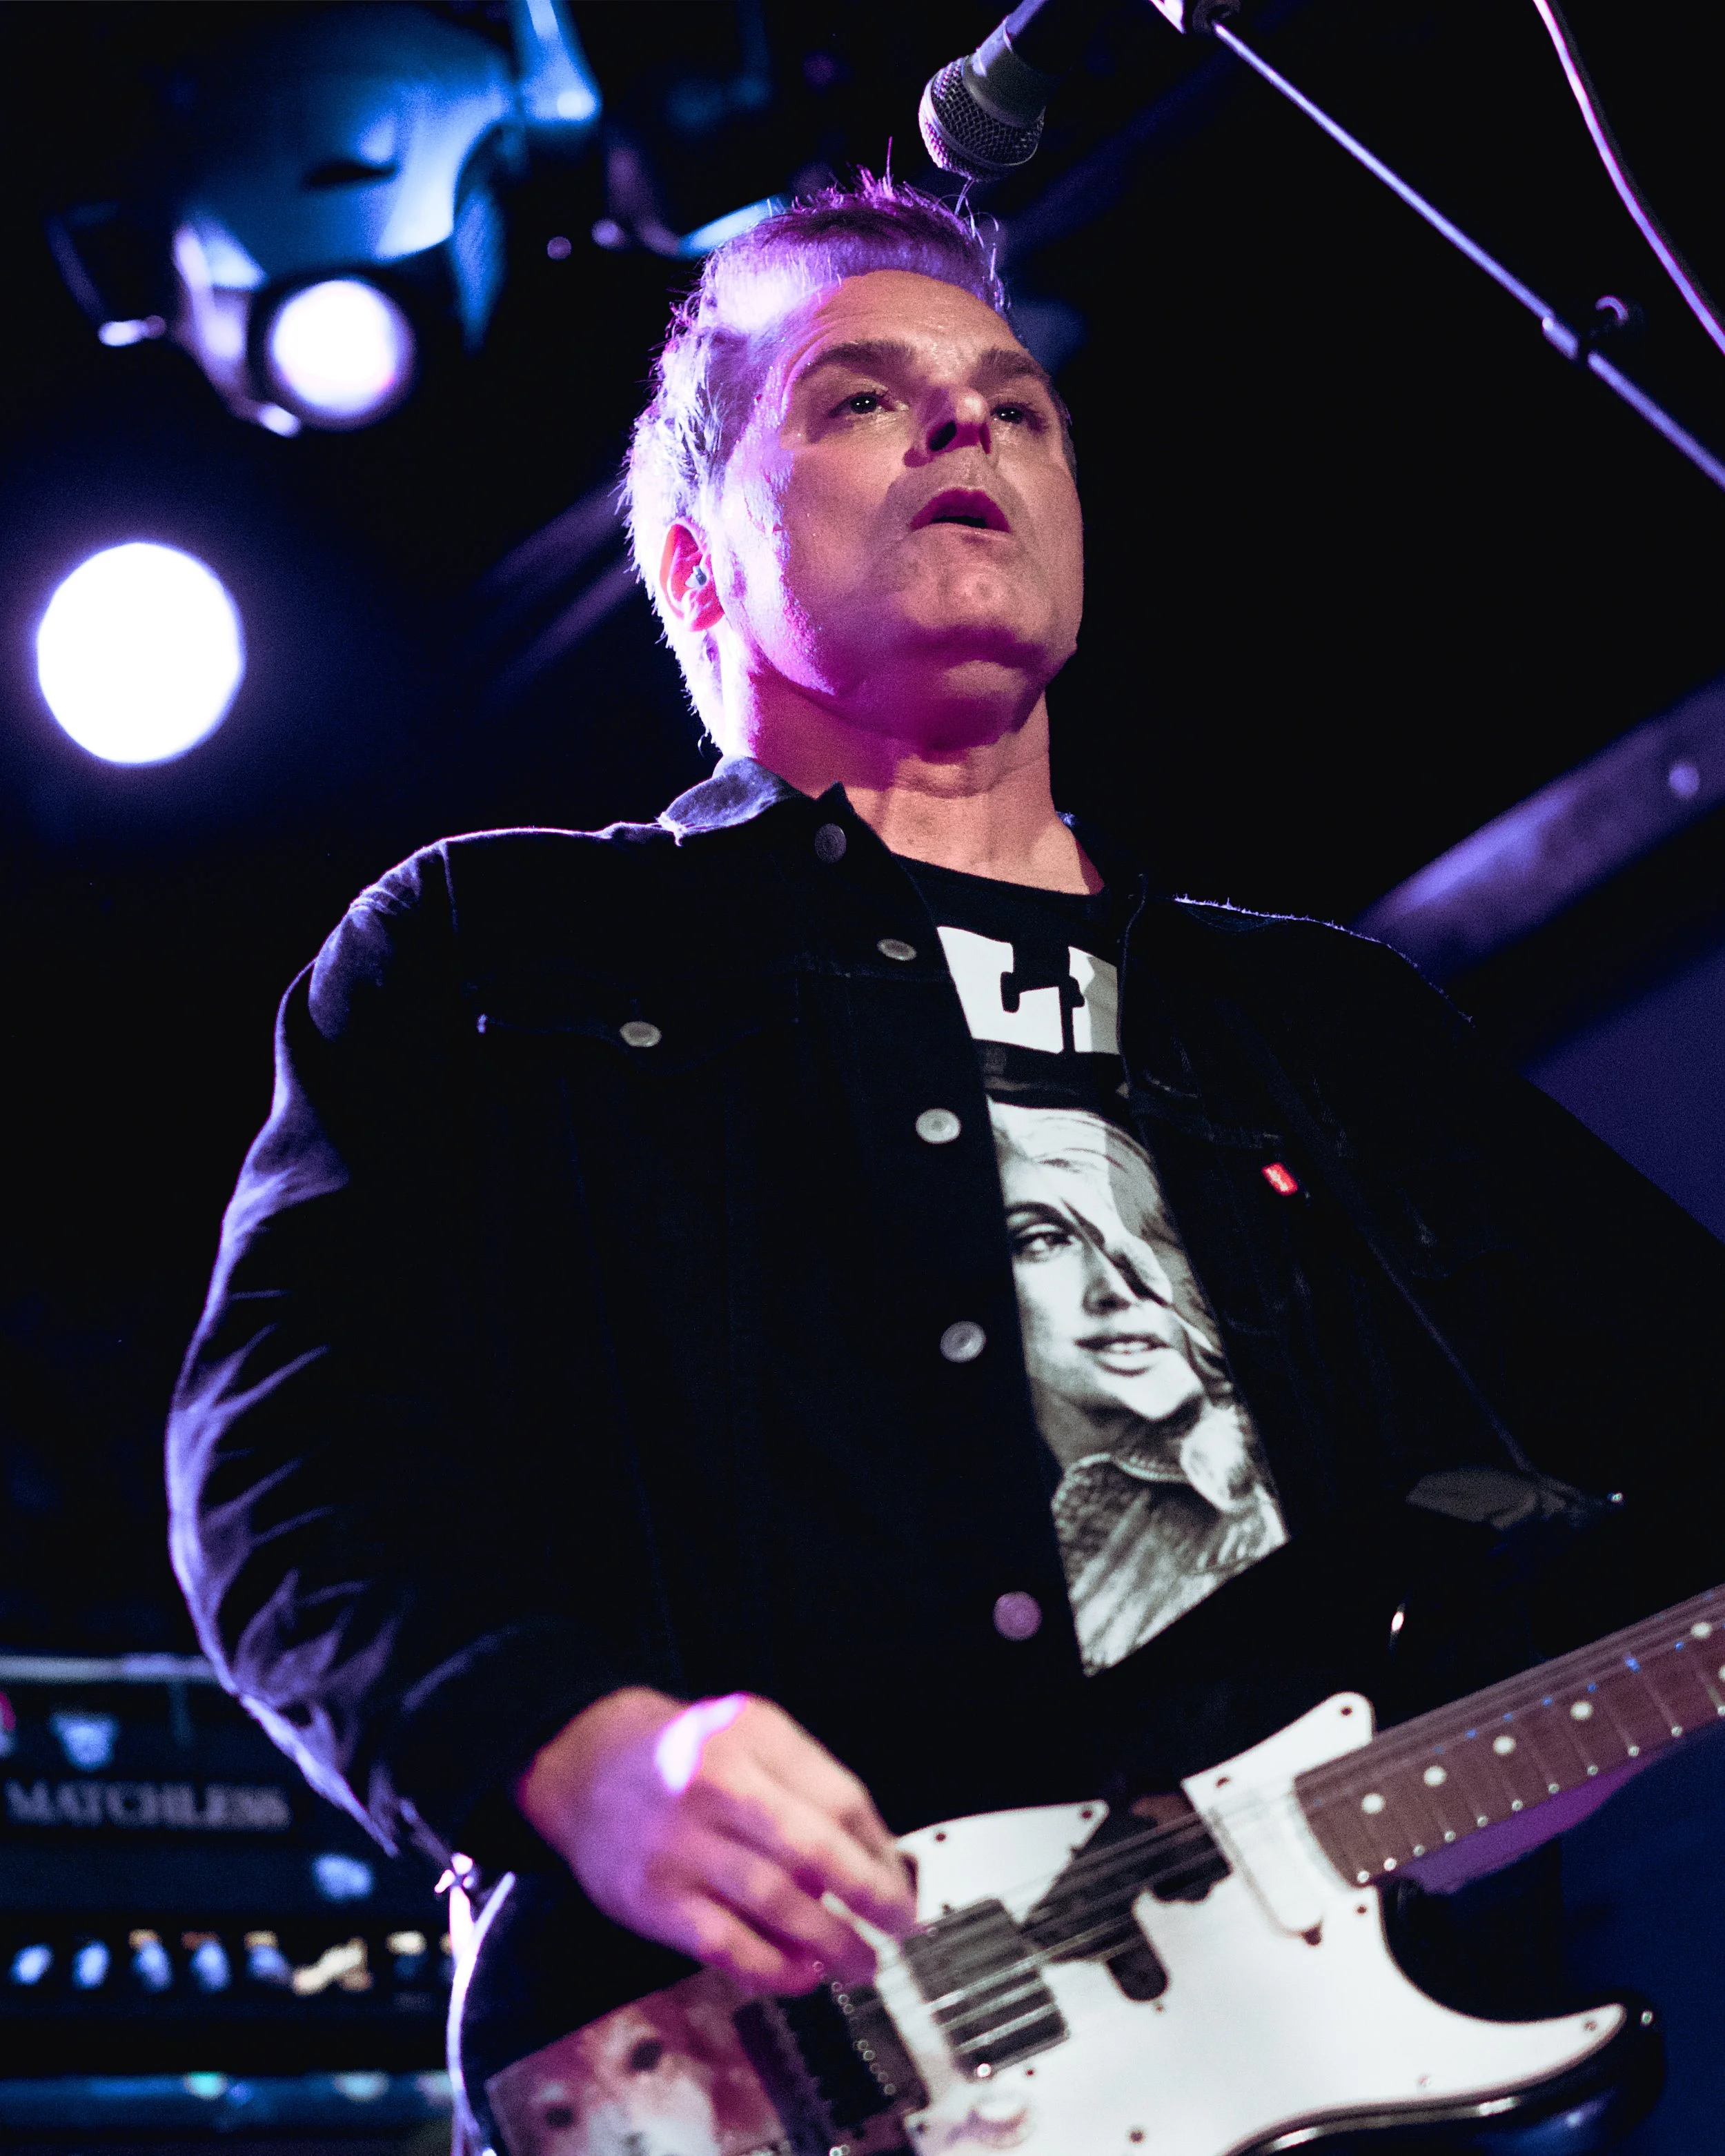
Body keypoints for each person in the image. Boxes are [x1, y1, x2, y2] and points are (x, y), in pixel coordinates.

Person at [168, 175, 1725, 2129]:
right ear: (693, 554)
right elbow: (284, 1465)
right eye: (855, 398)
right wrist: (574, 1749)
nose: (969, 421)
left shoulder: (1327, 1029)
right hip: (797, 2045)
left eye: (1014, 397)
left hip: (1378, 2057)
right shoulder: (499, 955)